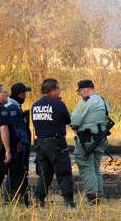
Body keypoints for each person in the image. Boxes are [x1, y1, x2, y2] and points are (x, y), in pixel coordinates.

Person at [31, 78, 76, 207]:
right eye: (58, 89)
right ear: (52, 90)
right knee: (63, 172)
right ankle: (68, 201)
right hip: (56, 144)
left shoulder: (35, 105)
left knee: (45, 174)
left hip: (40, 144)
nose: (59, 92)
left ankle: (39, 200)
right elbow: (68, 120)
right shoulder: (58, 104)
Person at [70, 79, 111, 205]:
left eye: (80, 92)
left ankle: (92, 197)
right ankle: (98, 194)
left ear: (85, 90)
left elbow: (74, 121)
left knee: (86, 166)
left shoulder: (86, 101)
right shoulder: (103, 100)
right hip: (100, 139)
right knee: (95, 168)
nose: (80, 95)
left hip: (87, 140)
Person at [4, 82, 32, 206]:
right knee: (16, 172)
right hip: (17, 146)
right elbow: (12, 128)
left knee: (17, 171)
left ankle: (14, 198)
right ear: (20, 94)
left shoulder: (14, 105)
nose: (25, 96)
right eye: (25, 93)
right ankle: (12, 199)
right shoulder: (12, 107)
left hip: (19, 144)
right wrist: (18, 143)